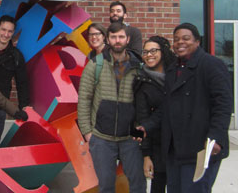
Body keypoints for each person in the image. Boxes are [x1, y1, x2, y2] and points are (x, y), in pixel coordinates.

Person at [136, 23, 233, 193]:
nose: (180, 42)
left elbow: (223, 105)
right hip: (175, 150)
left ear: (197, 41)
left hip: (200, 148)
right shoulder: (173, 69)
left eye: (186, 38)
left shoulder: (211, 65)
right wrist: (147, 126)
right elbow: (166, 106)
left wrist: (215, 137)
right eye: (176, 39)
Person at [78, 22, 146, 193]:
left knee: (138, 184)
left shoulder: (138, 67)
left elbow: (144, 102)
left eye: (121, 37)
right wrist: (88, 132)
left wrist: (140, 130)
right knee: (106, 187)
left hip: (130, 138)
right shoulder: (95, 65)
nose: (117, 40)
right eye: (114, 37)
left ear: (128, 39)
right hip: (101, 138)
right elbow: (84, 99)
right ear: (108, 39)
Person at [134, 36, 175, 193]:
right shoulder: (142, 81)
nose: (149, 55)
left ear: (163, 51)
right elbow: (142, 120)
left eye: (153, 50)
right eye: (145, 52)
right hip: (158, 145)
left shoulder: (177, 75)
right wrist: (146, 156)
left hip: (181, 143)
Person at [0, 15, 30, 147]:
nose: (6, 34)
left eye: (10, 31)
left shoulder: (16, 56)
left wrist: (24, 106)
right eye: (3, 29)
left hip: (0, 106)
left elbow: (22, 83)